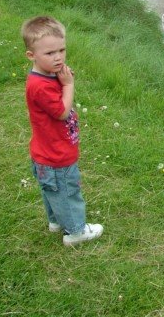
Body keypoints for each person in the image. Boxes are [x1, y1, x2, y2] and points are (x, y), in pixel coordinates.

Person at [21, 16, 103, 246]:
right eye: (49, 53)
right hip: (55, 156)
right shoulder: (40, 86)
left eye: (61, 50)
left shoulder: (46, 75)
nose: (58, 57)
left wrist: (60, 79)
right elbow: (62, 112)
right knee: (67, 192)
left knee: (52, 192)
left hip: (47, 151)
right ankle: (76, 232)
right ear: (31, 55)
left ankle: (56, 221)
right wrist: (68, 85)